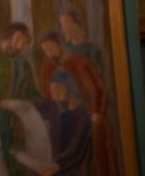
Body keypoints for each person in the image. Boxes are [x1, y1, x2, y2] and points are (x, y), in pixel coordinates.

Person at [39, 32, 117, 176]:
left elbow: (100, 91)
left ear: (59, 45)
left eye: (49, 48)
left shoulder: (81, 62)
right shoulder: (49, 68)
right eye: (45, 50)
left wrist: (98, 112)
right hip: (63, 120)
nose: (47, 53)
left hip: (86, 119)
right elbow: (49, 99)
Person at [0, 22, 41, 174]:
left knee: (14, 162)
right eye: (18, 39)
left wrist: (43, 104)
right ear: (7, 37)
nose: (20, 45)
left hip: (17, 123)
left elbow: (31, 92)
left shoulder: (23, 64)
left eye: (24, 42)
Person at [33, 71, 93, 176]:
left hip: (69, 167)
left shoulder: (82, 116)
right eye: (52, 92)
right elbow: (35, 107)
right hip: (53, 163)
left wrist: (57, 165)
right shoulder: (55, 105)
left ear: (69, 88)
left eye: (58, 90)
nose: (54, 96)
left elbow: (76, 149)